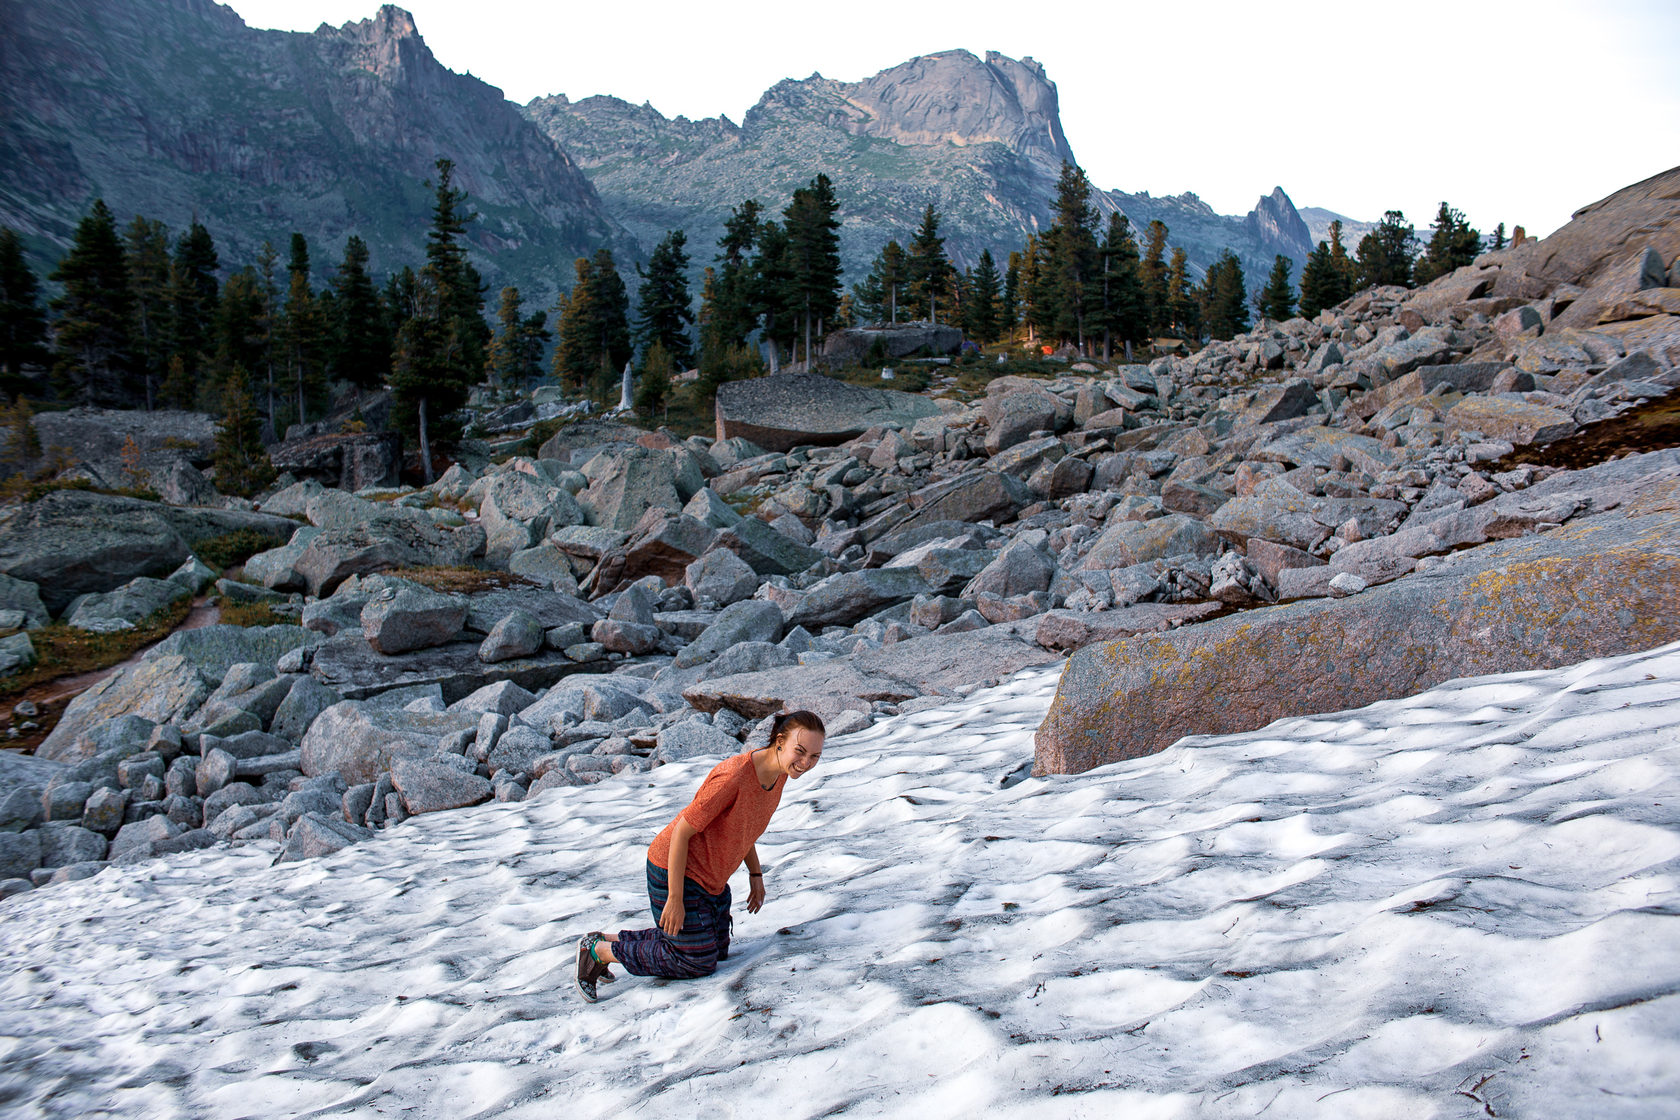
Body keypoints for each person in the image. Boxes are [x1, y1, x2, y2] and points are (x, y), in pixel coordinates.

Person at [575, 710, 825, 1002]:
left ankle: (606, 940)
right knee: (696, 960)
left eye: (815, 756)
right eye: (800, 751)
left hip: (712, 878)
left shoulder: (778, 775)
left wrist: (756, 876)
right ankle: (598, 952)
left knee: (716, 950)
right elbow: (682, 831)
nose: (806, 763)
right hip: (674, 867)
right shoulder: (734, 776)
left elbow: (745, 828)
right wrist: (675, 898)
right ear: (780, 741)